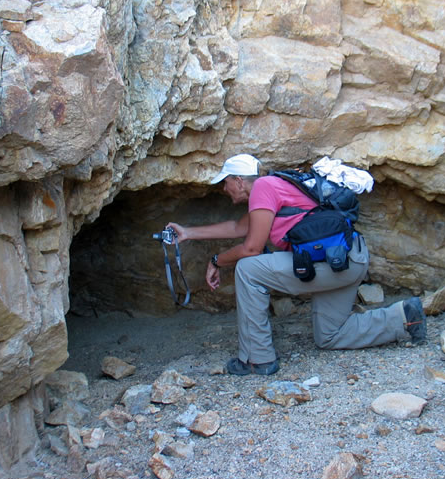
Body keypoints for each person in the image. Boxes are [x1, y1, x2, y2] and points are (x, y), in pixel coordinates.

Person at [167, 154, 427, 376]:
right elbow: (237, 227)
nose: (224, 189)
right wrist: (188, 233)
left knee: (248, 269)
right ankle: (403, 318)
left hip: (330, 263)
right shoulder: (276, 187)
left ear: (238, 180)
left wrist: (217, 261)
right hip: (348, 261)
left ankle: (257, 359)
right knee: (330, 335)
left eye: (225, 183)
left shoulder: (263, 187)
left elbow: (251, 248)